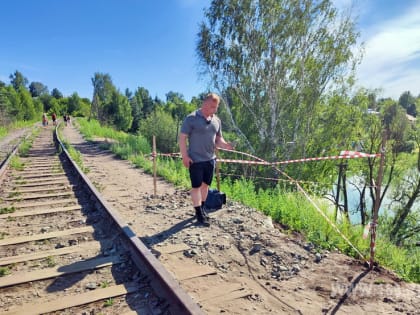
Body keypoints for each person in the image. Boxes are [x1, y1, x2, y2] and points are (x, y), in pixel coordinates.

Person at [179, 93, 233, 226]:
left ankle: (202, 208)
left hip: (210, 159)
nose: (214, 110)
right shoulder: (191, 118)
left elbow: (218, 139)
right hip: (195, 160)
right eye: (212, 107)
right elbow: (182, 138)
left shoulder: (216, 121)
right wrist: (185, 156)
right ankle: (198, 214)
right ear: (204, 104)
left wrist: (225, 145)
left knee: (205, 186)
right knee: (196, 187)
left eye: (216, 107)